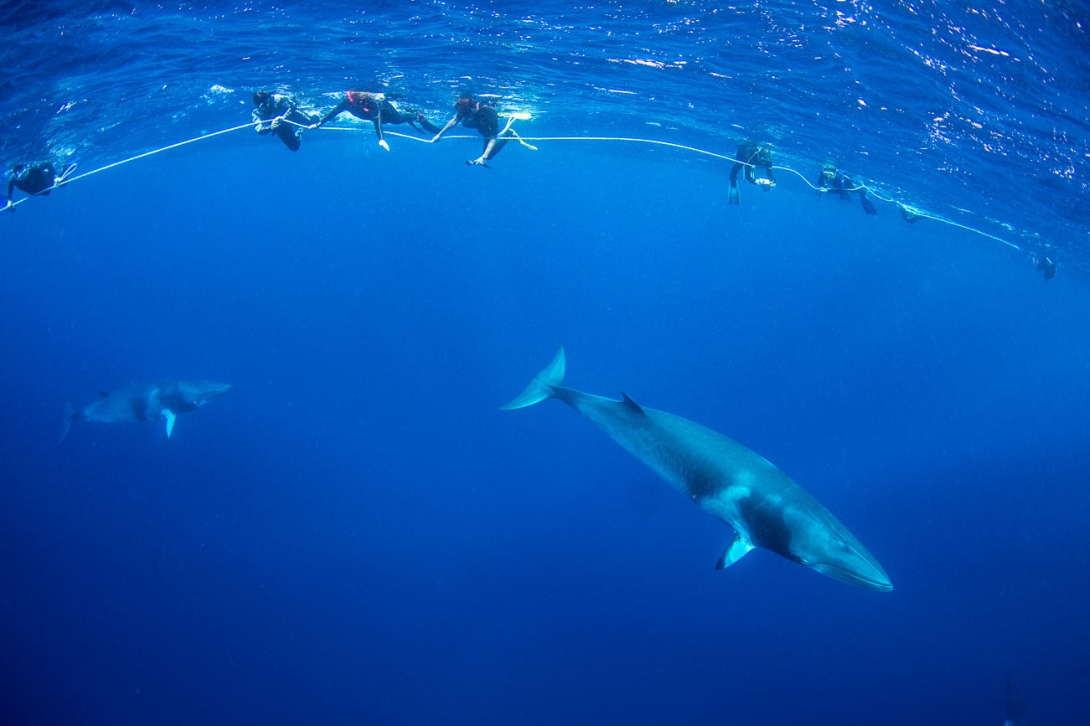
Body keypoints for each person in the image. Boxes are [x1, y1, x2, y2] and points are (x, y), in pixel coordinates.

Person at [315, 91, 440, 150]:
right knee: (388, 121)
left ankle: (414, 115)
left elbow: (377, 121)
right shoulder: (347, 102)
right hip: (370, 116)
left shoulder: (373, 103)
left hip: (386, 112)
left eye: (363, 102)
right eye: (359, 102)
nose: (361, 104)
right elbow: (334, 112)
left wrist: (381, 139)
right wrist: (319, 123)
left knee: (397, 120)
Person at [431, 94, 524, 166]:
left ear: (473, 107)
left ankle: (509, 134)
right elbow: (455, 120)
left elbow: (493, 137)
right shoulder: (467, 110)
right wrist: (439, 134)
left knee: (489, 155)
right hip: (478, 121)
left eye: (467, 112)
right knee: (464, 123)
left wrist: (484, 157)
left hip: (487, 128)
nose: (465, 114)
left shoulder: (489, 112)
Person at [252, 91, 317, 152]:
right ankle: (300, 130)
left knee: (312, 122)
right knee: (294, 147)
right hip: (280, 126)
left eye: (266, 103)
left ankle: (316, 114)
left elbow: (293, 105)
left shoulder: (278, 98)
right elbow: (259, 130)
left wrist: (284, 117)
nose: (265, 107)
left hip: (292, 116)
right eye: (261, 106)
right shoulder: (256, 112)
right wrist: (271, 127)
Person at [4, 161, 76, 211]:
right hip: (38, 191)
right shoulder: (15, 181)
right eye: (21, 176)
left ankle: (64, 166)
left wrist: (55, 177)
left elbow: (48, 164)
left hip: (47, 182)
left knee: (63, 184)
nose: (24, 177)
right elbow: (11, 184)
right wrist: (9, 200)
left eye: (25, 173)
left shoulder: (34, 169)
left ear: (27, 169)